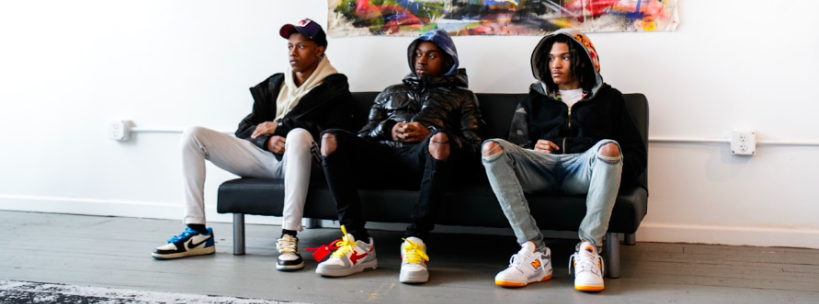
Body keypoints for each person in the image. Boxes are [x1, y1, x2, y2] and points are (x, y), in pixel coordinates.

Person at [152, 19, 355, 271]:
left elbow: (335, 133)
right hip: (268, 159)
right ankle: (196, 232)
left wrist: (281, 128)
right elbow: (245, 127)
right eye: (290, 47)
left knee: (298, 136)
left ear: (319, 50)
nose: (293, 52)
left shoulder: (336, 86)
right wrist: (266, 140)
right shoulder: (275, 84)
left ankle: (289, 235)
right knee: (193, 134)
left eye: (301, 46)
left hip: (307, 161)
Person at [311, 29, 484, 284]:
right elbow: (364, 135)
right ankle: (358, 242)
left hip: (425, 163)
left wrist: (431, 133)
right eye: (417, 54)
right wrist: (388, 129)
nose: (421, 61)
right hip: (382, 159)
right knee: (330, 139)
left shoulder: (463, 97)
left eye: (431, 55)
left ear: (448, 61)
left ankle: (415, 242)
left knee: (439, 140)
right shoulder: (389, 92)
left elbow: (474, 145)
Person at [481, 30, 646, 292]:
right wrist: (532, 147)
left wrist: (604, 167)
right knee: (491, 148)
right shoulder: (533, 101)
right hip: (540, 170)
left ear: (582, 60)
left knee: (610, 148)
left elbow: (635, 154)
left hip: (585, 172)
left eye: (564, 58)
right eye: (550, 58)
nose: (555, 65)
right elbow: (514, 146)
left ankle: (589, 250)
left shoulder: (610, 99)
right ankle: (533, 250)